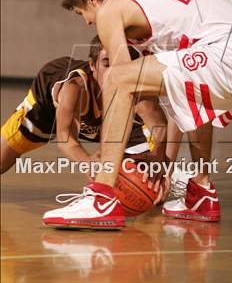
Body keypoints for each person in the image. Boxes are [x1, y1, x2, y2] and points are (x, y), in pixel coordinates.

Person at [43, 0, 232, 229]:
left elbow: (121, 80)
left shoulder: (111, 8)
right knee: (191, 94)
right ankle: (202, 192)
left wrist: (108, 157)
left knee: (119, 78)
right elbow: (177, 102)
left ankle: (102, 197)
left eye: (81, 12)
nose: (87, 22)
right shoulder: (152, 5)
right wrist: (161, 158)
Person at [1, 36, 167, 188]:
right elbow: (66, 139)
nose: (113, 72)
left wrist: (158, 157)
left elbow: (159, 127)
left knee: (150, 183)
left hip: (111, 123)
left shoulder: (140, 92)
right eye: (107, 64)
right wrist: (89, 163)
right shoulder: (75, 87)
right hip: (47, 110)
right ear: (92, 66)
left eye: (120, 65)